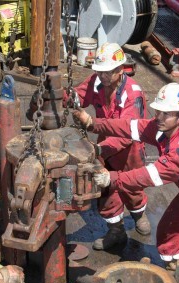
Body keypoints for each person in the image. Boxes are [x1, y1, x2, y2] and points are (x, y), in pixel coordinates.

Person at [72, 82, 179, 269]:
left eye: (166, 113)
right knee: (168, 233)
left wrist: (112, 178)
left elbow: (148, 175)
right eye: (158, 111)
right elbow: (129, 126)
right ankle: (177, 271)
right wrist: (93, 123)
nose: (158, 117)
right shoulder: (163, 130)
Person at [64, 42, 151, 250]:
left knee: (131, 186)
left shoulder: (133, 95)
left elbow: (127, 132)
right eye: (99, 71)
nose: (102, 76)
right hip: (105, 145)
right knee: (106, 187)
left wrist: (100, 149)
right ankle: (116, 231)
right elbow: (79, 95)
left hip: (130, 151)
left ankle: (138, 212)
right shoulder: (97, 81)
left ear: (120, 70)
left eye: (107, 72)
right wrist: (61, 95)